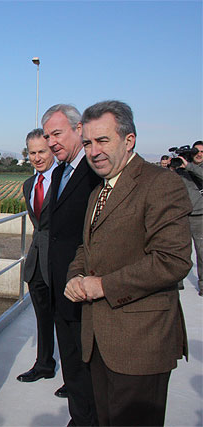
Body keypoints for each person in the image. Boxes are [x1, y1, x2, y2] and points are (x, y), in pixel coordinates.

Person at [65, 100, 191, 426]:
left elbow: (172, 260)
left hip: (141, 344)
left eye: (103, 141)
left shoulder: (160, 184)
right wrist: (75, 277)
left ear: (129, 140)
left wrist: (102, 285)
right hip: (99, 341)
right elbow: (87, 247)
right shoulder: (99, 191)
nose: (94, 151)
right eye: (88, 143)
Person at [43, 104, 100, 425]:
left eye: (57, 133)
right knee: (71, 360)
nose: (51, 142)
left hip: (83, 284)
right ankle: (79, 417)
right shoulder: (61, 171)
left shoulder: (94, 172)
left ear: (79, 130)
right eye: (48, 135)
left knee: (87, 361)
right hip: (59, 286)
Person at [16, 129, 60, 384]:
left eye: (42, 151)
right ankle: (44, 364)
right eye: (32, 153)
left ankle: (76, 378)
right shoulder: (29, 184)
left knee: (67, 320)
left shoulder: (67, 179)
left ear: (53, 150)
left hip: (60, 261)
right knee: (43, 318)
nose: (37, 157)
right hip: (37, 262)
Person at [175, 140, 203, 295]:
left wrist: (189, 167)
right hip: (183, 215)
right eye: (196, 151)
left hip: (200, 216)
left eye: (202, 152)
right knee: (180, 250)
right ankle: (177, 281)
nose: (199, 154)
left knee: (202, 252)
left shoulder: (196, 168)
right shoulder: (182, 169)